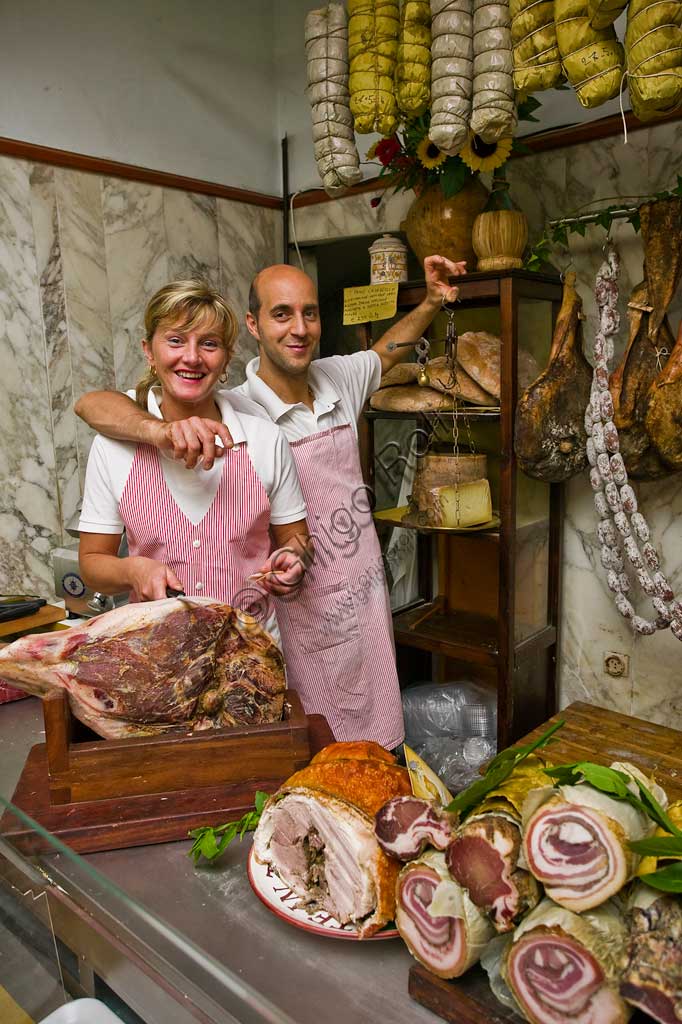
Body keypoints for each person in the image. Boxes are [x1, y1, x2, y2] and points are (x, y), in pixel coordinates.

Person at [76, 255, 465, 748]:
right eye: (282, 314)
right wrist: (161, 432)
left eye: (309, 313)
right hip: (265, 625)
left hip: (359, 591)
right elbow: (94, 404)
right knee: (307, 751)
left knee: (371, 745)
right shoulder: (237, 403)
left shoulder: (335, 382)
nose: (298, 329)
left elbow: (387, 350)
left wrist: (432, 300)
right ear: (254, 327)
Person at [78, 279, 310, 646]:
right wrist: (133, 569)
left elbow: (297, 540)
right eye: (175, 340)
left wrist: (294, 560)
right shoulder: (114, 446)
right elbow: (92, 562)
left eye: (209, 343)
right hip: (157, 656)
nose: (192, 357)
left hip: (252, 655)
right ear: (149, 352)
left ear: (226, 358)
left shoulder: (265, 440)